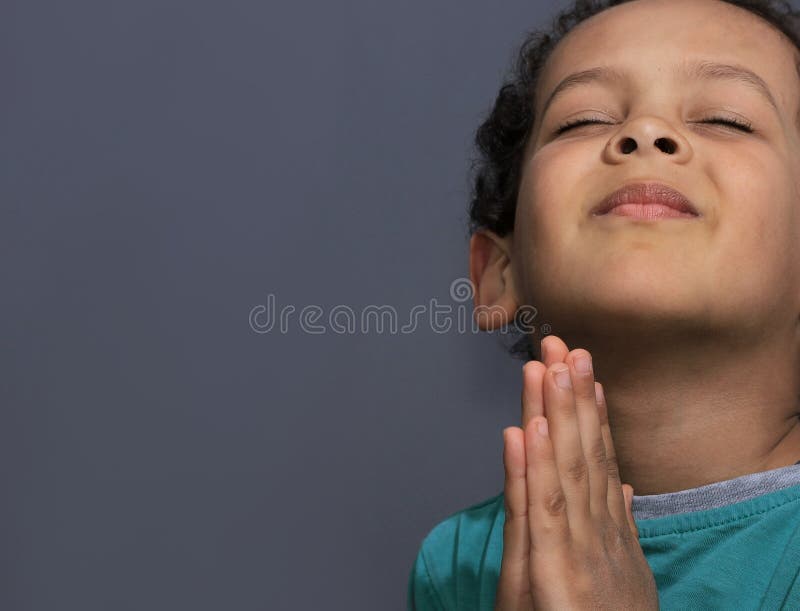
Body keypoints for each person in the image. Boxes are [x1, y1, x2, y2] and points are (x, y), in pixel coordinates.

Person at [407, 0, 800, 608]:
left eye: (727, 119)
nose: (644, 131)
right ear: (498, 276)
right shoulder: (456, 566)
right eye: (581, 121)